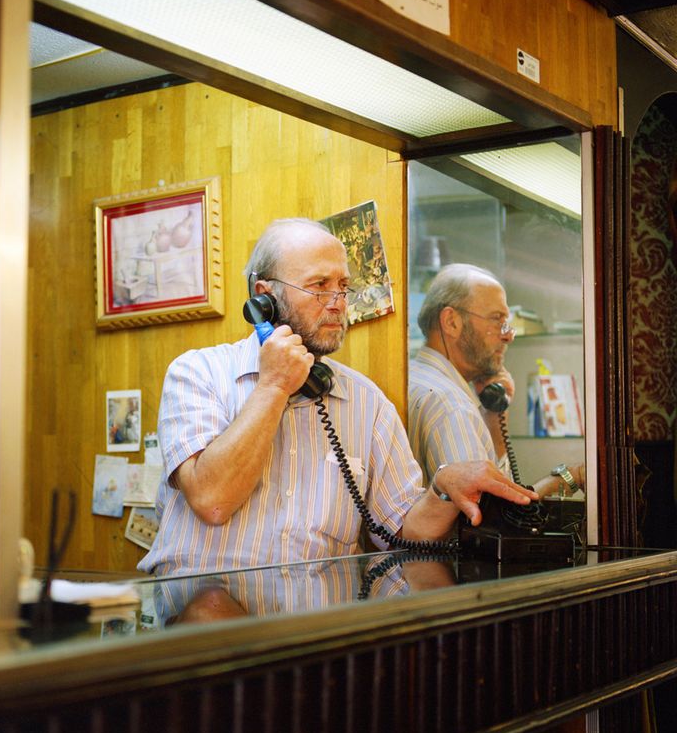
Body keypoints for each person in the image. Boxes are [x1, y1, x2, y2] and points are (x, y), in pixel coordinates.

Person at [138, 220, 536, 620]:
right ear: (264, 298)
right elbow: (212, 501)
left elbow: (401, 531)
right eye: (319, 286)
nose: (338, 302)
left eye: (343, 286)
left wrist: (443, 490)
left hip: (323, 638)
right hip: (208, 637)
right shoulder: (197, 374)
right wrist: (274, 386)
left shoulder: (366, 402)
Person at [408, 262, 585, 497]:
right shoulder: (452, 406)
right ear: (451, 322)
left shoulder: (414, 377)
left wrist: (494, 419)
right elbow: (488, 520)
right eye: (497, 319)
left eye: (507, 323)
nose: (508, 335)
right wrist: (569, 479)